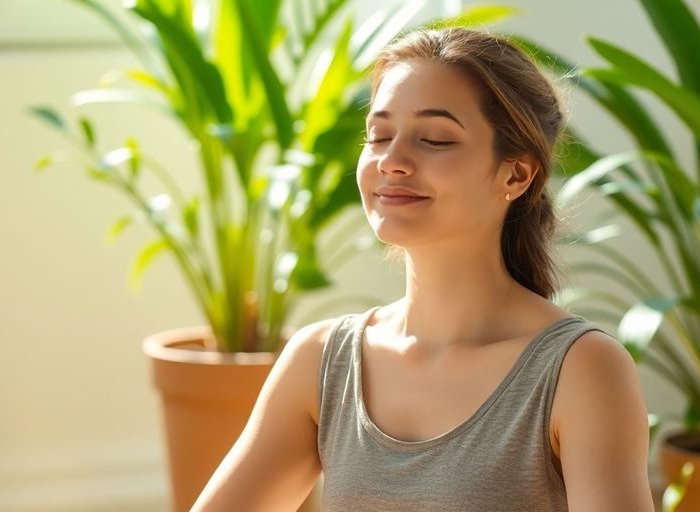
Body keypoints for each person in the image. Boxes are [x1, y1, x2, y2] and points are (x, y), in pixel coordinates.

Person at [192, 27, 654, 511]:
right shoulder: (321, 362)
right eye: (379, 135)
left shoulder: (580, 370)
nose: (392, 160)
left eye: (434, 139)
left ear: (516, 174)